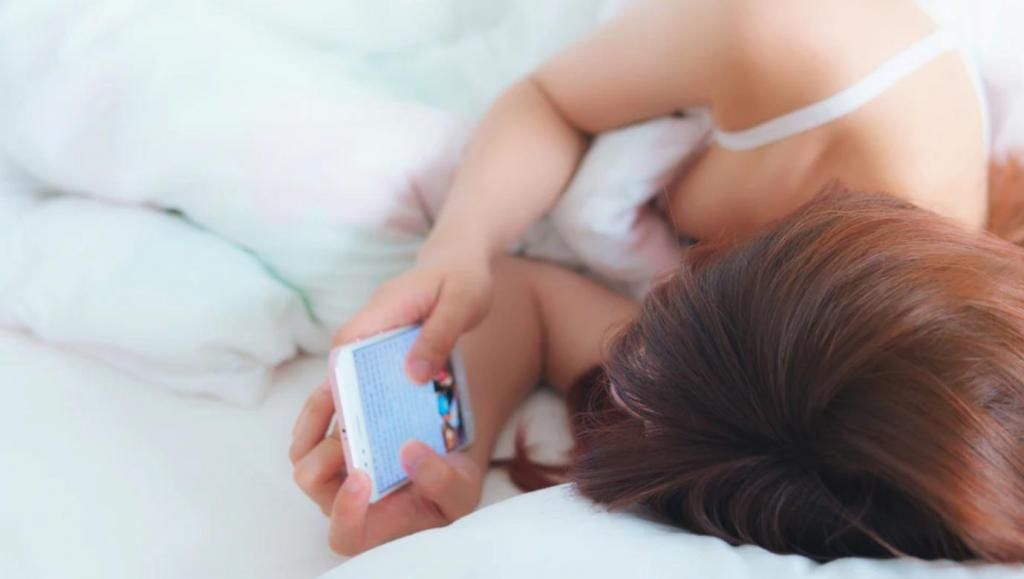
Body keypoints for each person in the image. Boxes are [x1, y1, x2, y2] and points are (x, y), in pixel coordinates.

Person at [290, 0, 1022, 560]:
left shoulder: (795, 432)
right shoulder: (805, 44)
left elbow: (535, 305)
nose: (651, 299)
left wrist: (442, 471)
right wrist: (459, 247)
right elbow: (551, 101)